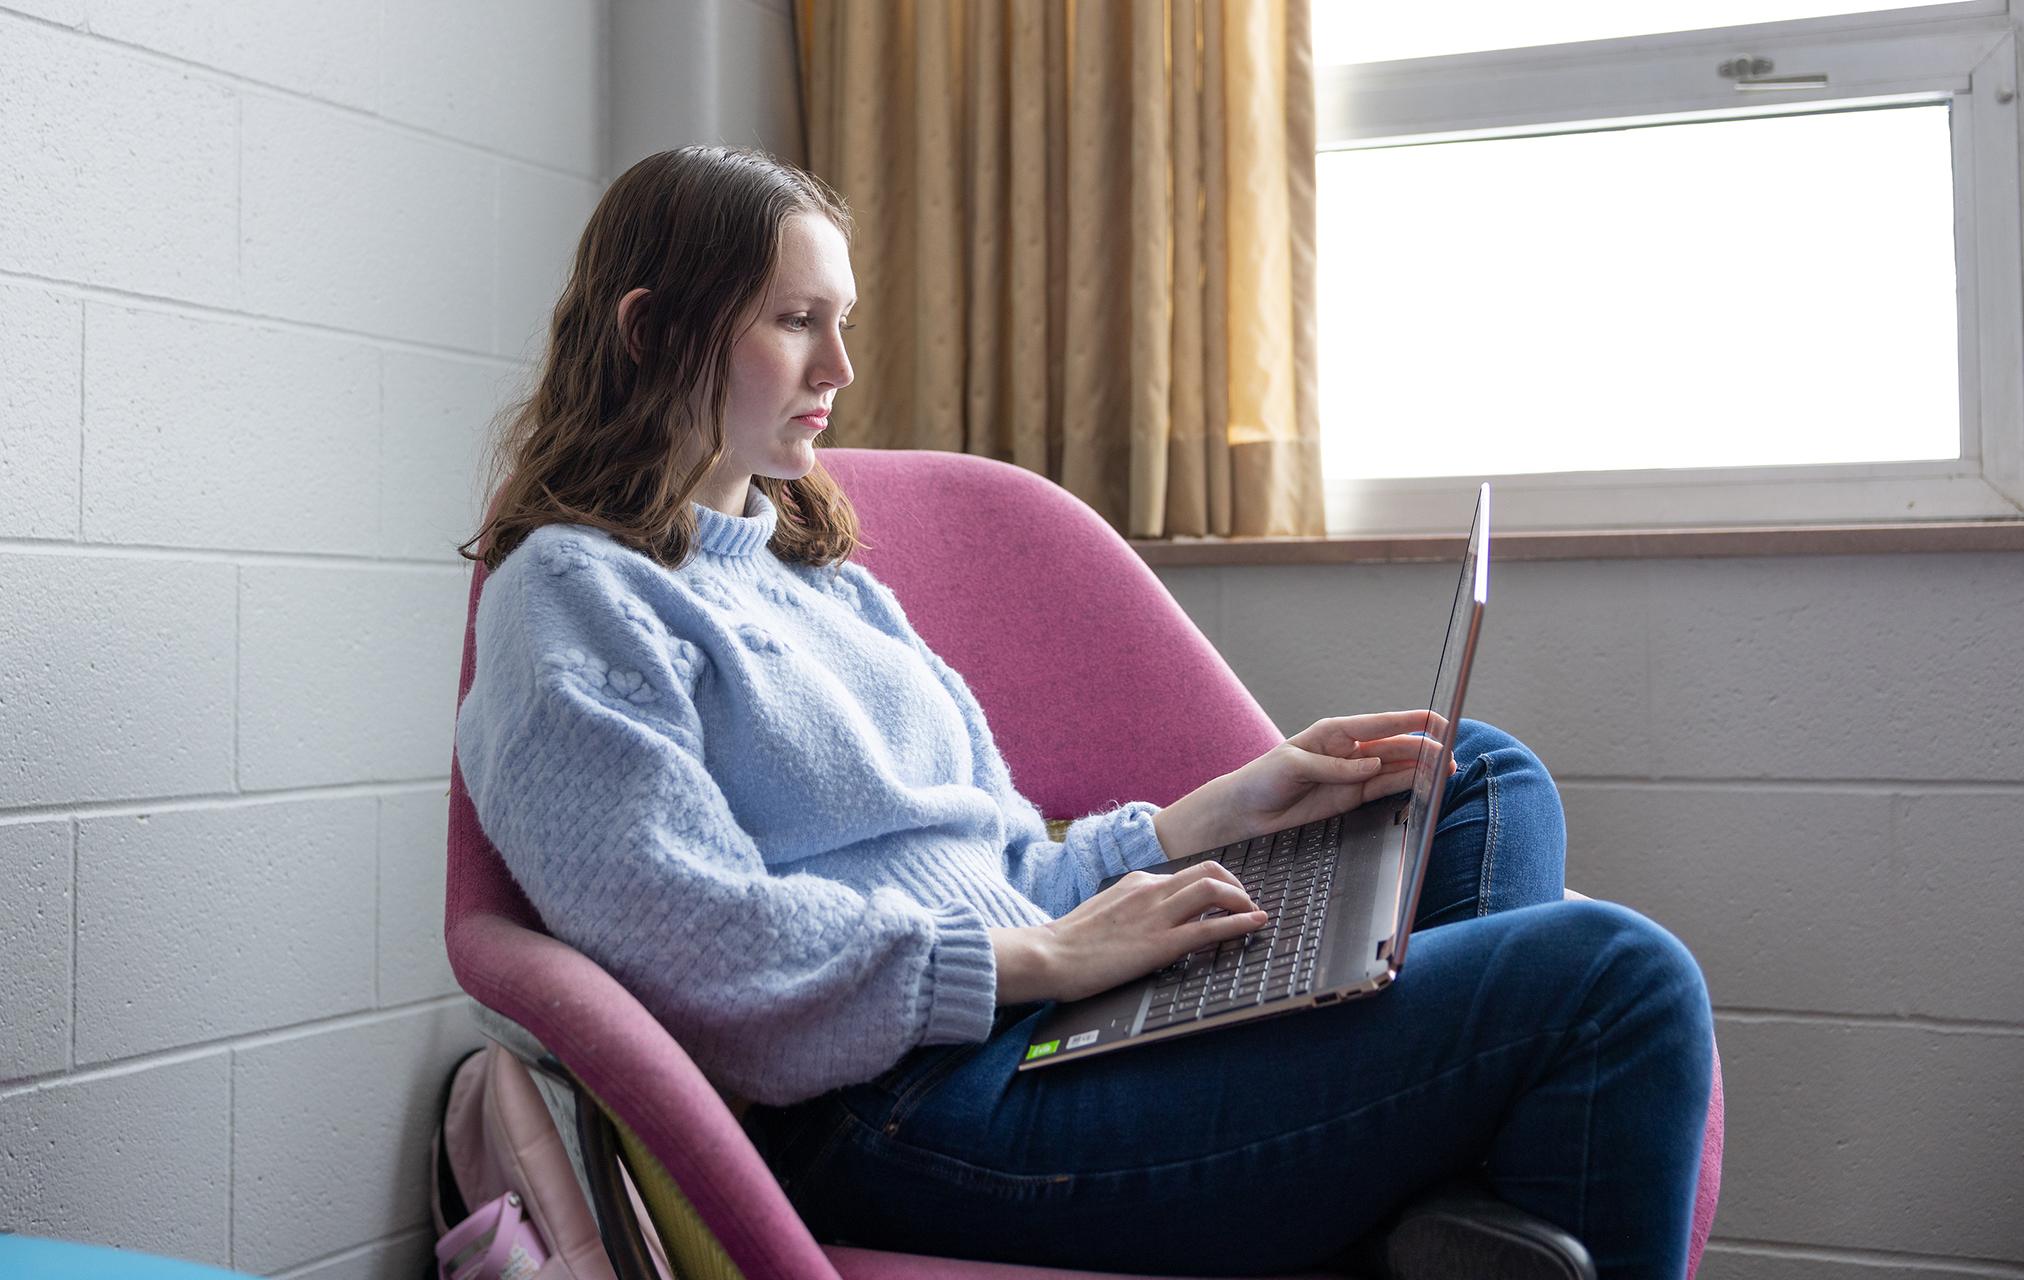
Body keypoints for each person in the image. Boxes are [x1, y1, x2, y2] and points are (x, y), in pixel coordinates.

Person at [454, 145, 1715, 1279]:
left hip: (1025, 1018)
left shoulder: (814, 577)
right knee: (1619, 979)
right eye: (796, 322)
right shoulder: (568, 596)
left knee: (1473, 775)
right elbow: (693, 943)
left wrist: (1220, 808)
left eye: (842, 322)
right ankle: (1427, 1202)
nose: (842, 367)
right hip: (899, 1107)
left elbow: (1002, 865)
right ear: (649, 328)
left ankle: (1426, 1203)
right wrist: (1040, 961)